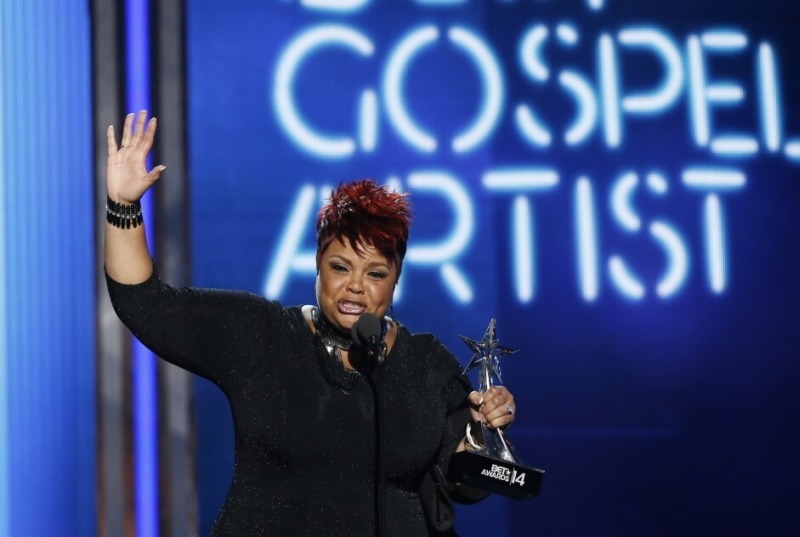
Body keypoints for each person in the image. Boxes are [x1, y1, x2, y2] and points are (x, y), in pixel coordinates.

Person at [104, 110, 518, 536]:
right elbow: (146, 304)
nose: (356, 287)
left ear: (395, 281)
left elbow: (464, 486)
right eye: (341, 267)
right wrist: (123, 204)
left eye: (375, 274)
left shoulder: (428, 366)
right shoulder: (261, 336)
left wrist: (482, 435)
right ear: (318, 266)